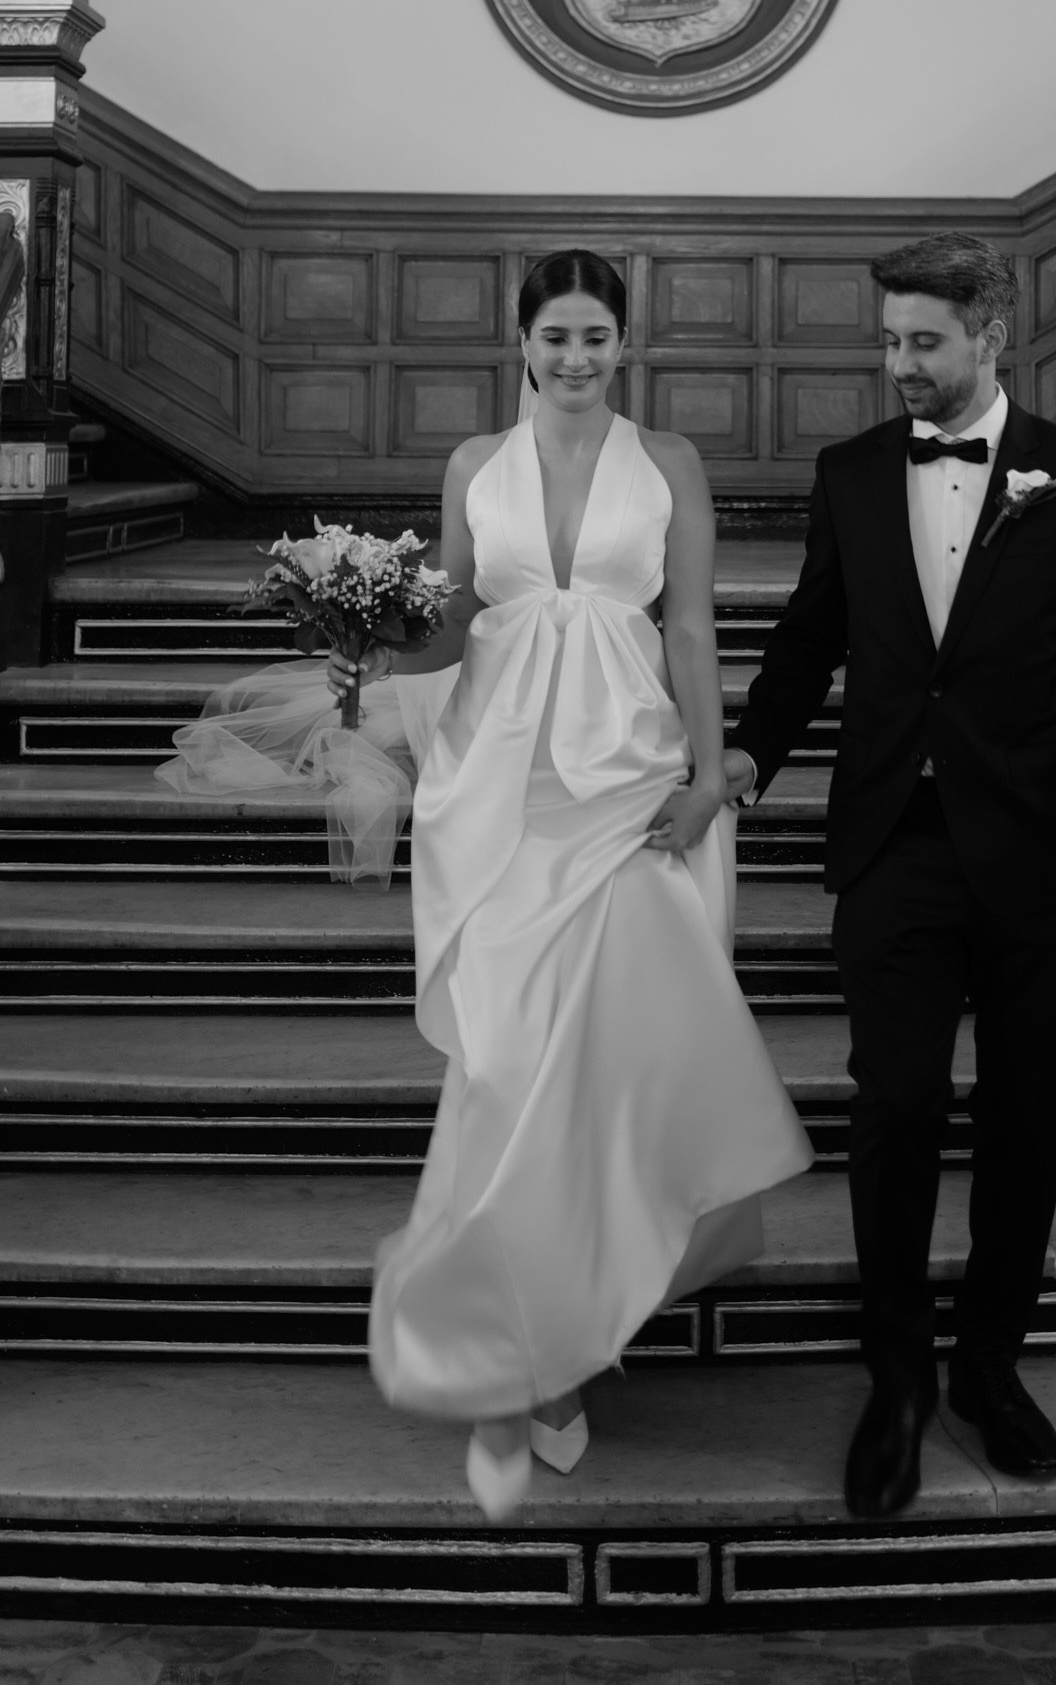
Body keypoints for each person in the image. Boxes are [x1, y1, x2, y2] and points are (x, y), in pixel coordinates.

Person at [724, 233, 1056, 1521]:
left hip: (1042, 851)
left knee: (1027, 1119)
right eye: (888, 343)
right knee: (897, 1106)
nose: (899, 366)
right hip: (893, 847)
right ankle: (895, 1379)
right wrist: (748, 757)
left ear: (990, 338)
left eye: (923, 342)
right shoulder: (852, 473)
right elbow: (809, 638)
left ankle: (989, 1362)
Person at [364, 249, 812, 1517]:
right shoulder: (469, 467)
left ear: (625, 346)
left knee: (606, 1065)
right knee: (506, 1072)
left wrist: (714, 771)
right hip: (496, 795)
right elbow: (450, 620)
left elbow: (688, 623)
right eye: (554, 336)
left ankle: (570, 1330)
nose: (573, 357)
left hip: (628, 789)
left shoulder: (667, 463)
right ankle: (520, 1334)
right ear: (520, 342)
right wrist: (367, 632)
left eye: (595, 338)